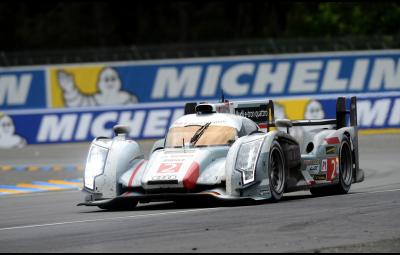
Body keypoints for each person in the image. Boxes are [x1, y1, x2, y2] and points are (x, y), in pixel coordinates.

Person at [57, 67, 138, 107]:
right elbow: (77, 103)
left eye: (113, 79)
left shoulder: (130, 99)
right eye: (106, 80)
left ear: (119, 81)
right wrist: (70, 89)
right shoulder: (93, 100)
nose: (110, 83)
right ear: (99, 84)